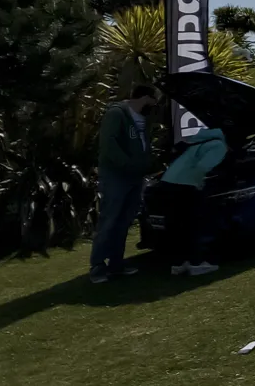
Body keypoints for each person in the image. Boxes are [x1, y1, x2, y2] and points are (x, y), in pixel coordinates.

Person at [90, 85, 160, 284]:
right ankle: (97, 267)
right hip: (116, 177)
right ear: (145, 97)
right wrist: (128, 165)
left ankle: (116, 264)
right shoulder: (117, 114)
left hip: (135, 177)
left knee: (124, 221)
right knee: (109, 220)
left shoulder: (144, 118)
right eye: (154, 100)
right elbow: (109, 145)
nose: (155, 105)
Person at [159, 127, 228, 277]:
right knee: (192, 224)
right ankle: (196, 264)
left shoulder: (199, 142)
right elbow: (203, 166)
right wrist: (199, 183)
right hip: (185, 185)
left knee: (176, 225)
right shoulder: (219, 145)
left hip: (167, 182)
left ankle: (178, 264)